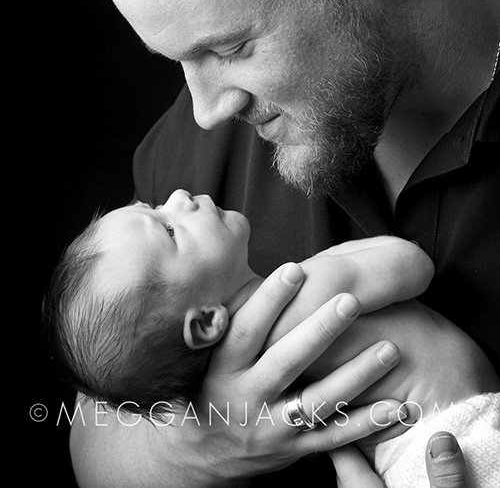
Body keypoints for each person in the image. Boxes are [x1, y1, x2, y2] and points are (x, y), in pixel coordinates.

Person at [59, 0, 499, 485]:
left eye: (227, 48)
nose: (203, 111)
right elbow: (95, 428)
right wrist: (201, 444)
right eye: (178, 61)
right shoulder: (202, 157)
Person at [45, 189, 499, 487]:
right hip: (462, 444)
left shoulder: (239, 388)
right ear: (205, 323)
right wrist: (327, 267)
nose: (178, 197)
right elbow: (412, 265)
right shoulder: (305, 298)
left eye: (154, 204)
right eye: (168, 229)